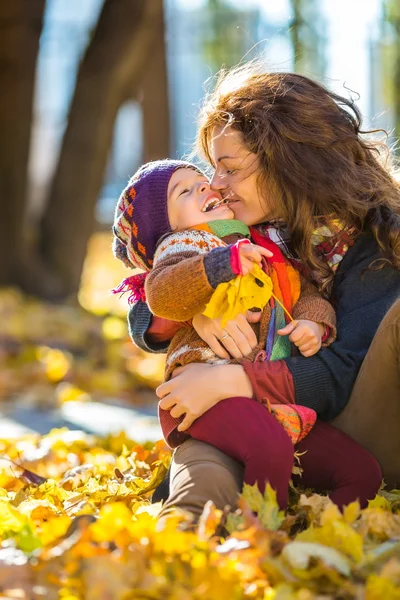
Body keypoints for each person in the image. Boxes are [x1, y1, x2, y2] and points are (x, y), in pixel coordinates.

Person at [127, 67, 400, 519]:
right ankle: (190, 536)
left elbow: (341, 374)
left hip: (349, 425)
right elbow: (146, 300)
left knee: (271, 447)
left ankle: (290, 532)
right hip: (262, 415)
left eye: (229, 168)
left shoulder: (373, 242)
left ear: (288, 160)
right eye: (212, 168)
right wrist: (198, 309)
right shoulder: (256, 227)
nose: (214, 184)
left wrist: (226, 381)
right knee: (205, 467)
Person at [113, 160, 376, 510]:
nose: (205, 187)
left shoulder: (264, 242)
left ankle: (321, 541)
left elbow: (302, 291)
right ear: (165, 226)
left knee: (361, 472)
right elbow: (162, 292)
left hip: (271, 398)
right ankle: (258, 538)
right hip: (204, 396)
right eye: (184, 192)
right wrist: (224, 265)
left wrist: (314, 322)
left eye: (200, 180)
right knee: (269, 448)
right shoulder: (184, 244)